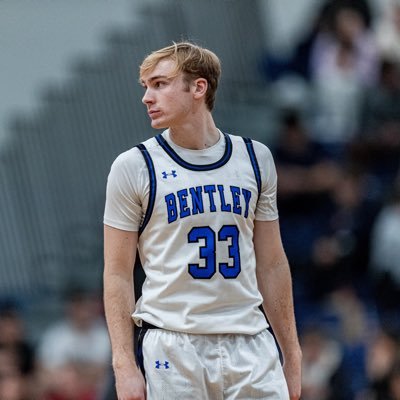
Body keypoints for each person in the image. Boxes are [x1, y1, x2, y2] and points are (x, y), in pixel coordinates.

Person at [103, 41, 302, 400]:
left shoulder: (256, 159)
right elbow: (117, 273)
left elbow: (272, 264)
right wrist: (123, 364)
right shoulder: (134, 166)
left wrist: (292, 352)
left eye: (160, 84)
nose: (147, 97)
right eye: (145, 86)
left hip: (250, 340)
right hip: (172, 344)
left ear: (198, 87)